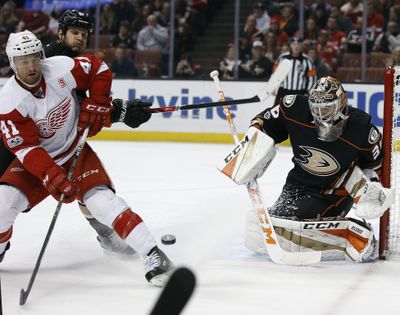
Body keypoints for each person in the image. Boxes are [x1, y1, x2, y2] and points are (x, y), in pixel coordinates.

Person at [0, 30, 172, 286]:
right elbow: (26, 149)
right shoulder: (8, 102)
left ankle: (153, 254)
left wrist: (99, 102)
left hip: (74, 153)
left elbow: (99, 69)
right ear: (13, 64)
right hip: (35, 165)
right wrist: (52, 175)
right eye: (23, 61)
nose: (31, 66)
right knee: (3, 204)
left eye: (35, 58)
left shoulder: (60, 68)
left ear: (42, 56)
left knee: (103, 203)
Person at [232, 77, 392, 262]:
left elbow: (374, 166)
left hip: (334, 193)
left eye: (326, 108)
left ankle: (356, 234)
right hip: (297, 185)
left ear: (341, 102)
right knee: (278, 223)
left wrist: (371, 191)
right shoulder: (293, 108)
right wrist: (251, 145)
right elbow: (264, 123)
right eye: (315, 108)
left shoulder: (361, 129)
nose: (319, 113)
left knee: (289, 225)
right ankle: (337, 236)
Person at [273, 37, 316, 105]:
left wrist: (308, 92)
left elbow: (312, 78)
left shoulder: (308, 60)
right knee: (278, 112)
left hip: (300, 93)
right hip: (283, 91)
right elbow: (275, 73)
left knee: (298, 114)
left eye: (298, 44)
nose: (296, 46)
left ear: (301, 46)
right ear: (290, 45)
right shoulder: (282, 58)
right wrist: (273, 87)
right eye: (293, 44)